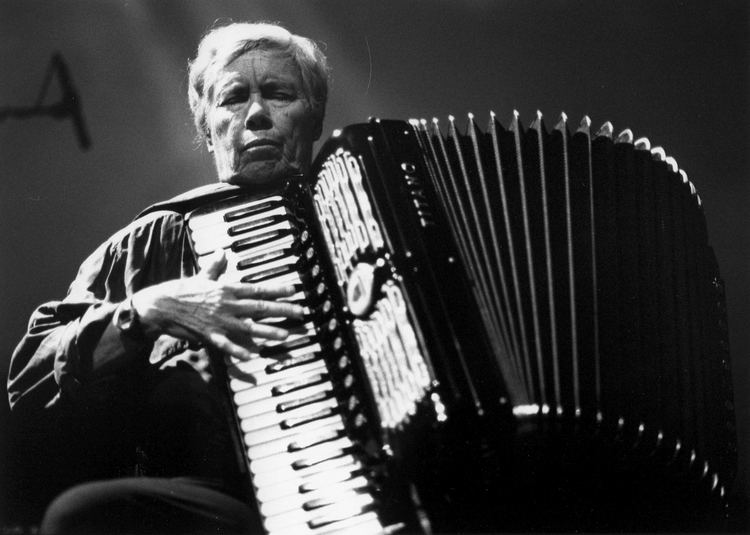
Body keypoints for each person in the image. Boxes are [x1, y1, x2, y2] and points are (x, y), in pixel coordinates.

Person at [7, 21, 329, 534]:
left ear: (314, 115)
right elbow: (29, 381)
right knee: (82, 516)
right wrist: (151, 309)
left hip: (382, 475)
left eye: (279, 94)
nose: (258, 116)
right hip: (227, 505)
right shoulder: (156, 239)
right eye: (233, 99)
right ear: (206, 128)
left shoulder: (371, 217)